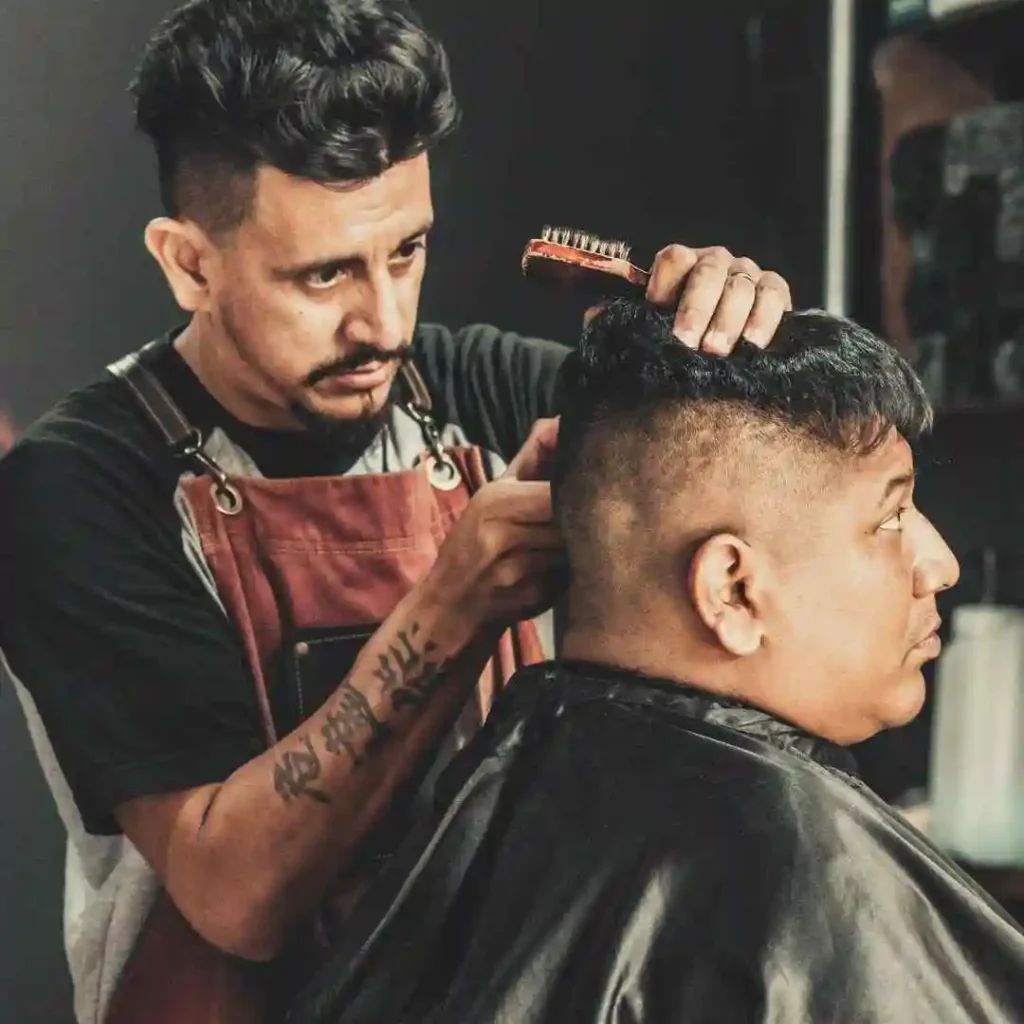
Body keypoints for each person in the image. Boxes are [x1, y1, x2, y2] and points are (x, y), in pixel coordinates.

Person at [0, 2, 793, 1022]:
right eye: (323, 273)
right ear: (188, 262)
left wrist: (724, 346)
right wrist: (452, 605)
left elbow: (755, 488)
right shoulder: (81, 487)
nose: (383, 322)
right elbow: (234, 896)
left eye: (406, 252)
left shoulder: (469, 390)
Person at [286, 300, 1024, 1024]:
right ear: (731, 590)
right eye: (890, 517)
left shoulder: (498, 802)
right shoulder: (806, 872)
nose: (941, 563)